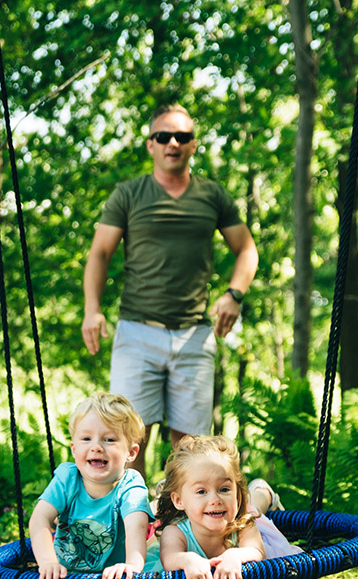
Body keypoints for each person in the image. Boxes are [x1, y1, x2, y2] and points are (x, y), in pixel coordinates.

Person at [82, 104, 259, 476]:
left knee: (192, 448)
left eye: (183, 137)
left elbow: (247, 249)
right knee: (128, 440)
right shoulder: (129, 194)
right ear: (151, 145)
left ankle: (183, 532)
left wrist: (234, 295)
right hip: (137, 333)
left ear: (194, 145)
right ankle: (132, 528)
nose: (173, 143)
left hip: (194, 337)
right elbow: (99, 252)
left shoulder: (213, 196)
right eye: (164, 136)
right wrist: (92, 309)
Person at [152, 435, 300, 579]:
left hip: (244, 515)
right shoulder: (175, 531)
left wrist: (236, 555)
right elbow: (169, 557)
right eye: (201, 491)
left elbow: (257, 551)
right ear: (179, 501)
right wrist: (188, 560)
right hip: (202, 509)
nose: (215, 499)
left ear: (236, 491)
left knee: (254, 509)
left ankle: (263, 491)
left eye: (224, 489)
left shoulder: (244, 524)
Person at [29, 393, 153, 579]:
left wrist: (132, 566)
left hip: (113, 578)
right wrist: (48, 562)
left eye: (110, 440)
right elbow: (40, 519)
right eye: (86, 438)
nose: (96, 447)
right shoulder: (67, 478)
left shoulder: (130, 485)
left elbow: (136, 526)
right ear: (74, 449)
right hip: (65, 575)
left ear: (131, 453)